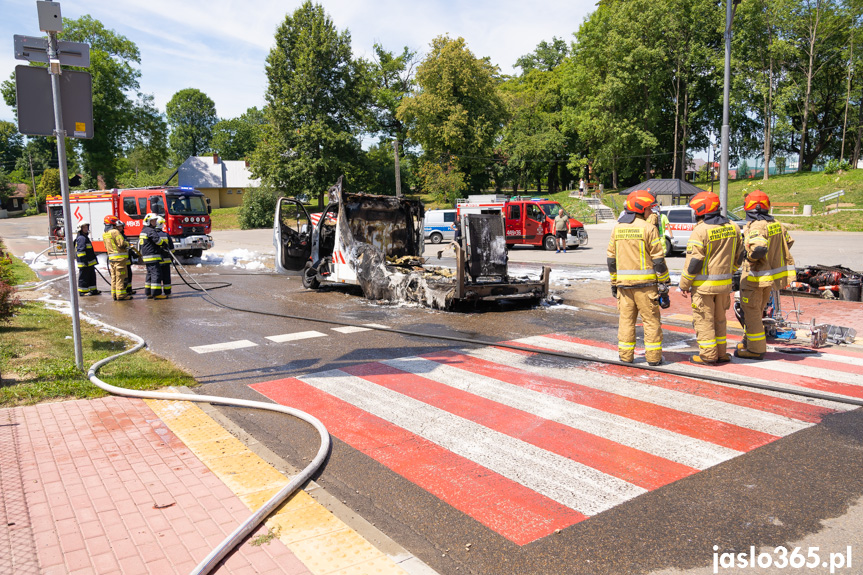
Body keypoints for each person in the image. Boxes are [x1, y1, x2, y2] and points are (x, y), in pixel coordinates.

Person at [678, 192, 743, 364]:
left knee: (704, 321)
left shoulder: (700, 231)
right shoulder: (733, 227)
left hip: (704, 287)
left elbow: (694, 262)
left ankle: (708, 355)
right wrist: (731, 272)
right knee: (720, 320)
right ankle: (721, 353)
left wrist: (684, 284)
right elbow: (740, 255)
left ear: (701, 210)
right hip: (724, 287)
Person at [607, 190, 670, 366]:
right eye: (649, 209)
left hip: (624, 288)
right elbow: (658, 260)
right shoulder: (649, 229)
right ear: (641, 209)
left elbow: (611, 260)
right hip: (646, 287)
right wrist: (664, 281)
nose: (651, 212)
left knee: (626, 322)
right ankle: (654, 358)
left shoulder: (617, 229)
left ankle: (626, 356)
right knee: (651, 322)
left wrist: (614, 282)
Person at [736, 190, 796, 360]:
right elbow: (788, 242)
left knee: (751, 313)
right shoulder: (777, 223)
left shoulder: (757, 226)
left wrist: (748, 257)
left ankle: (755, 349)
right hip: (768, 279)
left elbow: (759, 248)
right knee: (756, 311)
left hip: (754, 278)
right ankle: (749, 342)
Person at [139, 213, 169, 299]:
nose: (155, 222)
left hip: (147, 257)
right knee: (156, 274)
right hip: (152, 256)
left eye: (155, 221)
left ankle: (148, 292)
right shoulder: (150, 231)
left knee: (150, 274)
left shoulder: (143, 231)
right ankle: (156, 293)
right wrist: (164, 244)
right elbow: (157, 240)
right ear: (148, 222)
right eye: (153, 221)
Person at [103, 215, 132, 301]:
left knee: (114, 277)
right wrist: (128, 244)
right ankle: (121, 295)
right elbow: (121, 244)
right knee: (121, 276)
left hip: (112, 259)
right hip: (120, 259)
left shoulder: (105, 233)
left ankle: (114, 294)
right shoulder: (115, 232)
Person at [74, 221, 99, 296]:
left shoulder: (85, 237)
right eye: (84, 227)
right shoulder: (81, 238)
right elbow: (81, 251)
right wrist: (84, 260)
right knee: (84, 277)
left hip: (89, 262)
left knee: (91, 276)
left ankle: (93, 290)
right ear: (80, 229)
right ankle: (83, 291)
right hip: (84, 262)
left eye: (86, 227)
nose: (86, 229)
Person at [156, 216, 174, 297]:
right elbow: (172, 249)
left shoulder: (152, 235)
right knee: (166, 277)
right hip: (166, 261)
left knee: (157, 277)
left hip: (157, 261)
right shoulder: (166, 235)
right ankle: (167, 291)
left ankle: (157, 292)